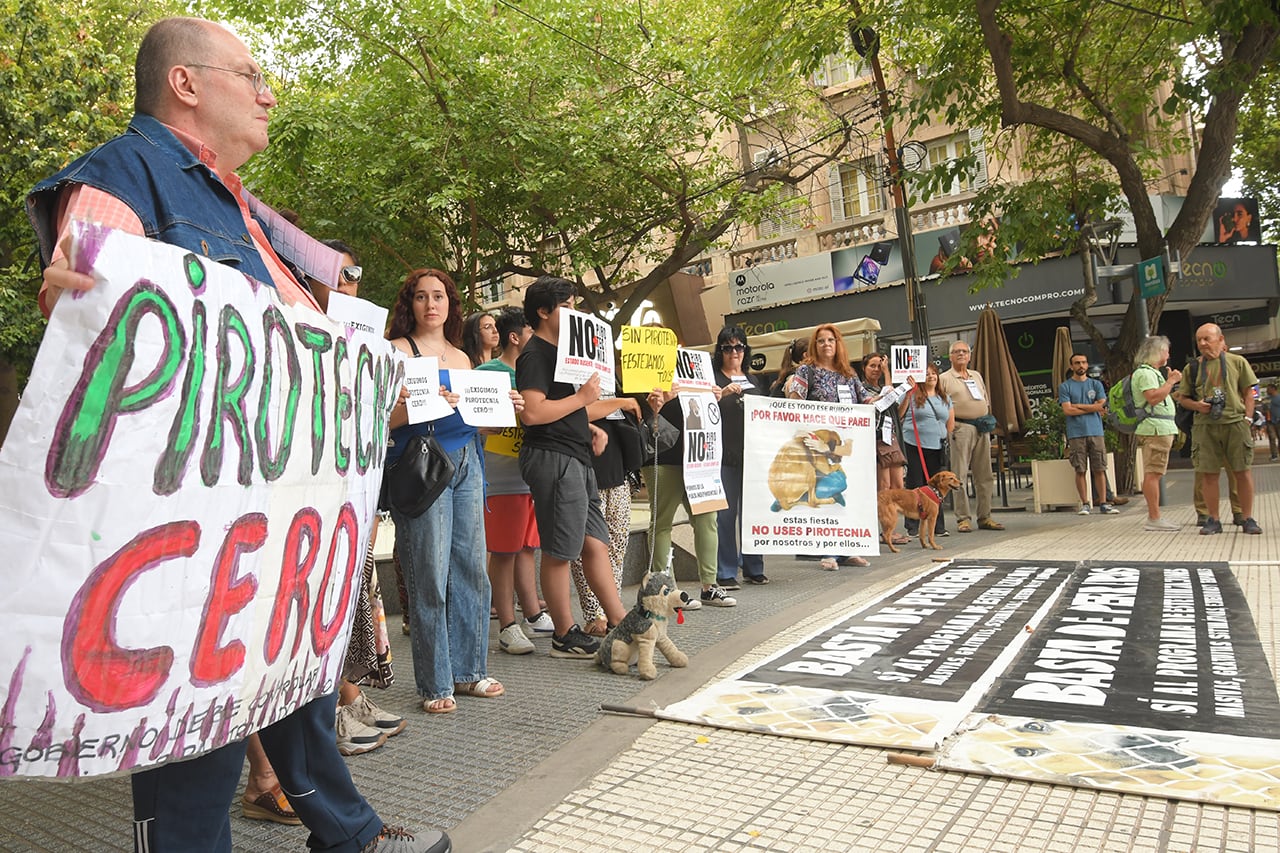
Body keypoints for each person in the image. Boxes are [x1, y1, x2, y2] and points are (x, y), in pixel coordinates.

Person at [26, 17, 448, 853]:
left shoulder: (240, 206)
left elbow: (303, 317)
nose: (268, 93)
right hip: (189, 512)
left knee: (291, 683)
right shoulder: (125, 169)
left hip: (266, 502)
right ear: (185, 84)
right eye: (250, 75)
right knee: (197, 724)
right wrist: (69, 282)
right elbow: (85, 282)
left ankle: (348, 834)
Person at [515, 276, 628, 658]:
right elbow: (533, 412)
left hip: (575, 455)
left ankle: (622, 621)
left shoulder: (566, 354)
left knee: (595, 542)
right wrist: (581, 400)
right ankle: (564, 631)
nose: (575, 312)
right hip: (553, 456)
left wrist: (590, 422)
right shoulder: (536, 354)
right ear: (544, 312)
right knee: (561, 550)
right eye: (566, 305)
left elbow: (569, 407)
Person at [478, 308, 554, 654]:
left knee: (527, 547)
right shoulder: (487, 373)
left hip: (531, 474)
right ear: (515, 337)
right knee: (505, 550)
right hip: (501, 475)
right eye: (530, 332)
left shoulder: (535, 372)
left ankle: (532, 613)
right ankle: (507, 625)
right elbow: (477, 423)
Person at [786, 324, 872, 569]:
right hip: (819, 446)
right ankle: (828, 552)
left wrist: (893, 390)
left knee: (849, 495)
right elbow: (794, 403)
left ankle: (847, 549)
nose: (826, 345)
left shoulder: (849, 373)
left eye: (831, 340)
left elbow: (866, 400)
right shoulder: (806, 370)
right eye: (822, 340)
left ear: (838, 344)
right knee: (828, 495)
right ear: (815, 345)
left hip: (847, 446)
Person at [643, 382, 735, 607]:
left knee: (707, 519)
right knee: (662, 522)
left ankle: (709, 586)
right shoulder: (648, 369)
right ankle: (667, 590)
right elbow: (638, 412)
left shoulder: (694, 370)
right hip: (664, 455)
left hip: (699, 458)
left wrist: (714, 397)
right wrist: (656, 405)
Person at [1177, 323, 1263, 535]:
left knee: (1242, 471)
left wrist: (1247, 419)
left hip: (1235, 423)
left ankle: (1247, 517)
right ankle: (1213, 519)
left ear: (1221, 339)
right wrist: (1198, 406)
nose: (1203, 344)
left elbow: (1248, 393)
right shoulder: (1193, 368)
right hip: (1205, 427)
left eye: (1207, 338)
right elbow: (1184, 399)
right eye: (1199, 340)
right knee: (1208, 474)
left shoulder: (1238, 362)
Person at [713, 325, 768, 588]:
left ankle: (753, 566)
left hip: (753, 456)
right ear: (720, 351)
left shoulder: (755, 381)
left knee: (753, 513)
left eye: (739, 347)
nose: (734, 352)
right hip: (724, 455)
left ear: (745, 350)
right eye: (727, 347)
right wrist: (721, 393)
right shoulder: (713, 380)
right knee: (725, 515)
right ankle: (725, 571)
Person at [938, 340, 1004, 534]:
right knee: (958, 475)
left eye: (964, 351)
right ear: (950, 356)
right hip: (960, 427)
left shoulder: (976, 375)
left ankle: (985, 516)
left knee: (985, 475)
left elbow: (985, 398)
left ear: (969, 355)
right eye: (956, 352)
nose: (961, 354)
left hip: (982, 427)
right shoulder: (944, 378)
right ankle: (963, 518)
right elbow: (940, 406)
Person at [1130, 336, 1182, 531]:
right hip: (1155, 429)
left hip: (1159, 429)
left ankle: (1155, 516)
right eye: (1166, 350)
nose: (1168, 354)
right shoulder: (1145, 374)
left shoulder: (1151, 373)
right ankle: (1154, 517)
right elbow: (1152, 398)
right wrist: (1171, 382)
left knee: (1155, 473)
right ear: (1157, 352)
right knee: (1153, 474)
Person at [900, 362, 955, 538]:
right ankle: (913, 526)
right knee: (916, 484)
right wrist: (907, 396)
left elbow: (950, 421)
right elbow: (899, 415)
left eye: (933, 373)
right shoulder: (913, 395)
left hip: (937, 446)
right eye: (927, 374)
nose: (931, 376)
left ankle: (937, 525)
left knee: (937, 487)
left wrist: (945, 435)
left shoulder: (944, 397)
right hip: (914, 444)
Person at [1058, 354, 1118, 516]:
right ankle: (1085, 503)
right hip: (1076, 433)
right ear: (1071, 366)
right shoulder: (1065, 387)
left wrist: (1078, 405)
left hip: (1096, 431)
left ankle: (1104, 503)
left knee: (1100, 468)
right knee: (1080, 469)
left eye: (1084, 362)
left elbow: (1101, 406)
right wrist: (1091, 407)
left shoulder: (1096, 384)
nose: (1081, 365)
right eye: (1077, 363)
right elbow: (1067, 410)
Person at [1267, 382, 1280, 461]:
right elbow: (1265, 409)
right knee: (1272, 438)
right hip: (1270, 422)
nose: (1267, 391)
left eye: (1268, 389)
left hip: (1279, 420)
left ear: (1273, 389)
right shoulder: (1267, 399)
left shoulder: (1278, 398)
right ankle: (1274, 455)